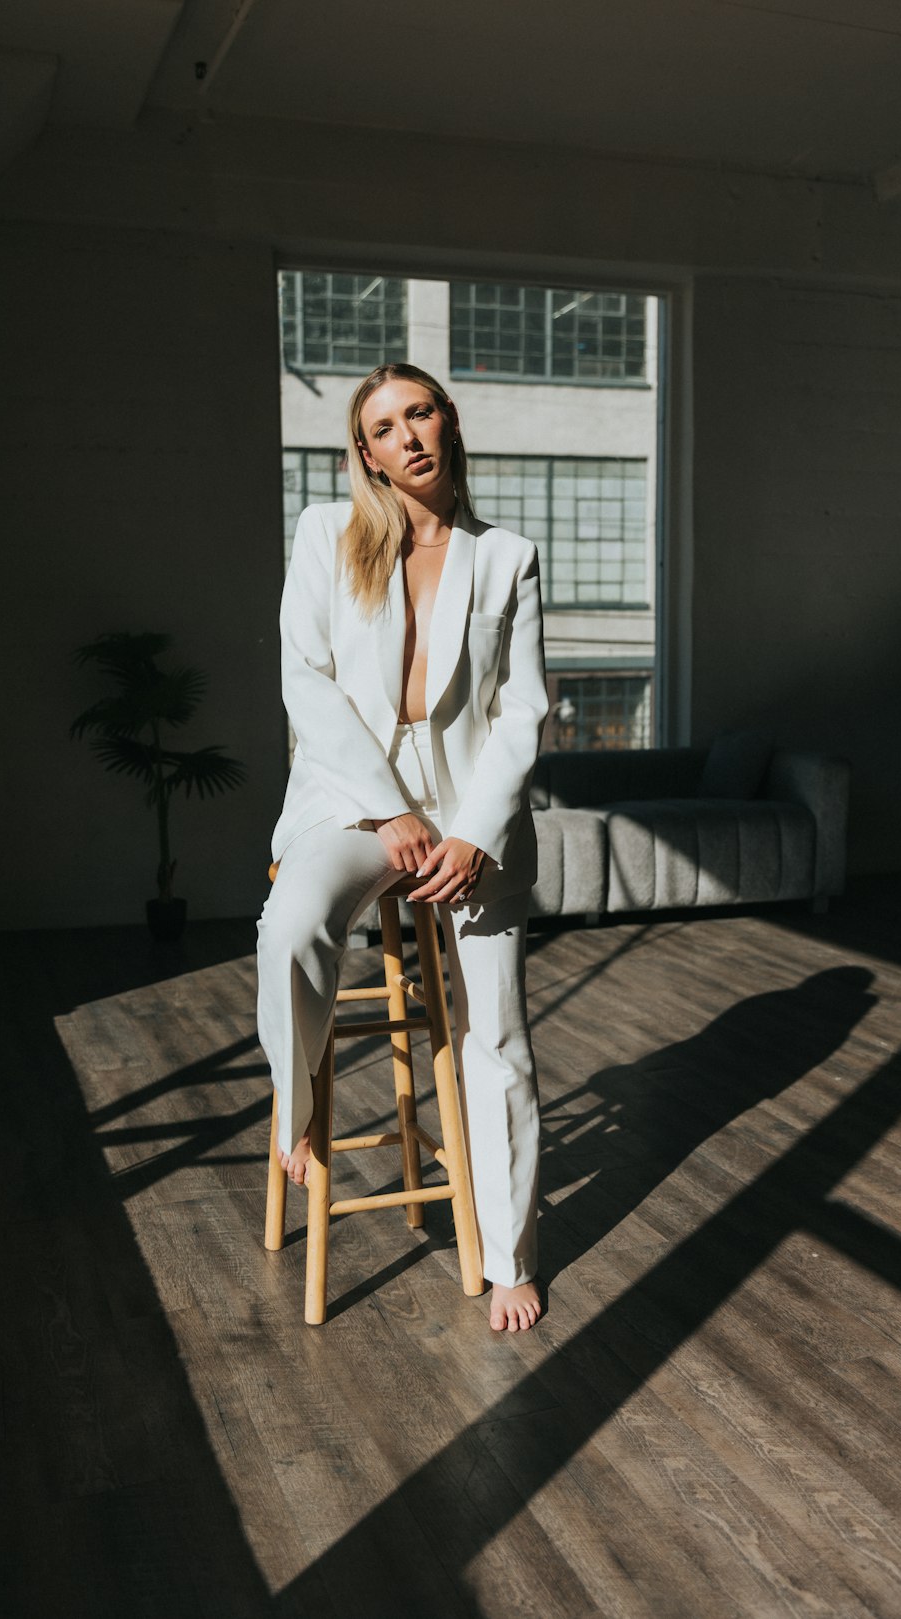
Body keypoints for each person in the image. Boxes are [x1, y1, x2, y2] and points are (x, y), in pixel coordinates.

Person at [256, 362, 548, 1332]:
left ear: (446, 420)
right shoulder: (326, 536)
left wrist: (473, 830)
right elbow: (309, 683)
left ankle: (509, 1254)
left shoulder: (506, 555)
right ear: (367, 454)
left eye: (419, 412)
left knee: (495, 1032)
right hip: (353, 802)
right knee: (294, 920)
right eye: (385, 426)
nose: (408, 435)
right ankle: (294, 1107)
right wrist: (389, 810)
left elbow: (521, 713)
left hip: (471, 817)